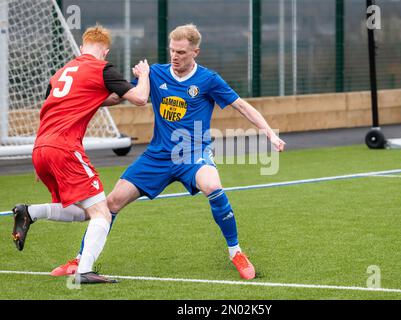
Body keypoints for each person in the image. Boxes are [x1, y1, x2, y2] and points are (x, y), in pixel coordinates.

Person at [51, 23, 286, 280]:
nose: (175, 56)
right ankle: (80, 260)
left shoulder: (208, 79)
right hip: (157, 156)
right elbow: (120, 97)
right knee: (110, 204)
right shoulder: (156, 74)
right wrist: (75, 96)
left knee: (213, 186)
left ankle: (236, 252)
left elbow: (242, 106)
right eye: (172, 50)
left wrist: (270, 133)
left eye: (182, 52)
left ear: (195, 52)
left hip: (191, 153)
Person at [11, 25, 150, 284]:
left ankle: (30, 212)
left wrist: (118, 91)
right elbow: (141, 98)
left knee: (85, 211)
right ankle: (84, 271)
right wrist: (144, 75)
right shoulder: (102, 69)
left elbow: (88, 100)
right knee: (103, 213)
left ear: (82, 47)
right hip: (65, 148)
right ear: (105, 52)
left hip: (41, 149)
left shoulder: (61, 73)